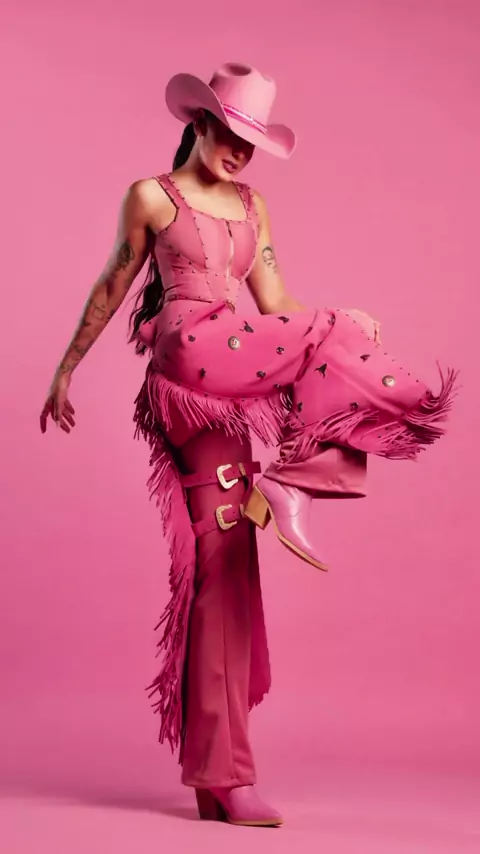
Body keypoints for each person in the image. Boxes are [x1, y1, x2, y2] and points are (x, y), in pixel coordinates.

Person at [40, 62, 457, 827]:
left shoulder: (253, 206)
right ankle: (304, 479)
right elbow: (111, 285)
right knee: (334, 329)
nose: (240, 152)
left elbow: (276, 303)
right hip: (188, 357)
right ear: (200, 123)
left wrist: (338, 332)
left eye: (251, 143)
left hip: (230, 378)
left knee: (225, 568)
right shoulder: (152, 197)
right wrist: (66, 369)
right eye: (231, 134)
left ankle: (219, 774)